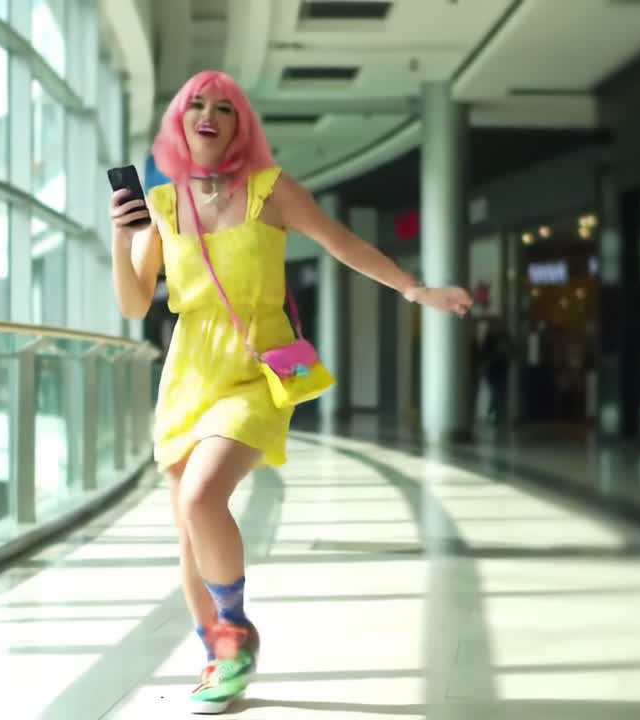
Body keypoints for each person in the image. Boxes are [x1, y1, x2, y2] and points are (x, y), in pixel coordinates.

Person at [108, 70, 472, 714]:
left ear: (241, 125)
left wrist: (417, 290)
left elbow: (345, 244)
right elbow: (137, 304)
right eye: (199, 105)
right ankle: (219, 655)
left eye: (227, 107)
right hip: (188, 373)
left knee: (202, 495)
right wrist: (122, 236)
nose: (211, 114)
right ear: (179, 121)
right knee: (190, 529)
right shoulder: (162, 207)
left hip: (255, 370)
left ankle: (237, 630)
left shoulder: (269, 192)